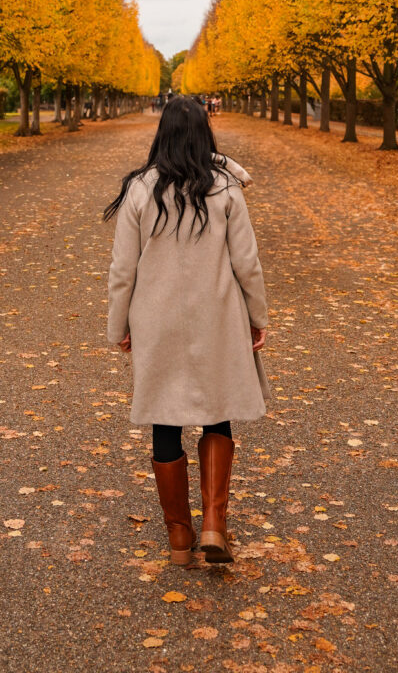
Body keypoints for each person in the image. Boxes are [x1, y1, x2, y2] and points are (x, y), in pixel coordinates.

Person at [103, 95, 269, 565]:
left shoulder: (139, 190)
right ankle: (214, 524)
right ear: (205, 134)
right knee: (217, 410)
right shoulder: (225, 189)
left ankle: (179, 537)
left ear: (163, 133)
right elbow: (247, 264)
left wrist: (119, 326)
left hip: (156, 319)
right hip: (216, 316)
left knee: (164, 415)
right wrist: (258, 317)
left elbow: (122, 269)